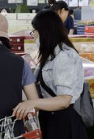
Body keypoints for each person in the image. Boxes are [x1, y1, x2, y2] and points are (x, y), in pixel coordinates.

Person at [13, 10, 88, 139]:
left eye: (34, 31)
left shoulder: (65, 56)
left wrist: (33, 103)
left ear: (44, 31)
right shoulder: (50, 55)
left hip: (64, 124)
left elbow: (64, 100)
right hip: (50, 120)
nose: (34, 36)